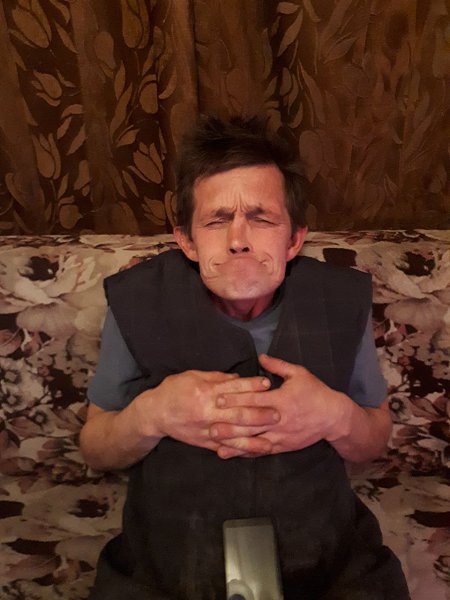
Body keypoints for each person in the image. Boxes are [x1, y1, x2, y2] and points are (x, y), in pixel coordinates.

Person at [80, 116, 409, 599]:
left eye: (261, 217)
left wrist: (335, 415)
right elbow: (95, 447)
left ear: (294, 239)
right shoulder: (138, 302)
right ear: (186, 240)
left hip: (327, 559)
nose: (238, 239)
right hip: (169, 560)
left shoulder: (339, 303)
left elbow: (373, 440)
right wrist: (152, 414)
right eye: (217, 220)